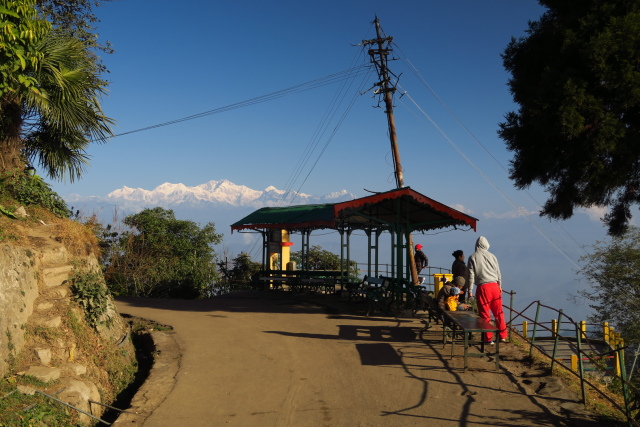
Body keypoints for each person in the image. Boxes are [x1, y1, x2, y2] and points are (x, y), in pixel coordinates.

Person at [467, 236, 507, 344]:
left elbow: (471, 275)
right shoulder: (493, 256)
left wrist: (470, 290)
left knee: (485, 314)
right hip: (495, 286)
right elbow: (498, 272)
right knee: (499, 312)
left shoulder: (472, 257)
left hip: (483, 287)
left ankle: (488, 338)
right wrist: (499, 285)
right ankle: (502, 335)